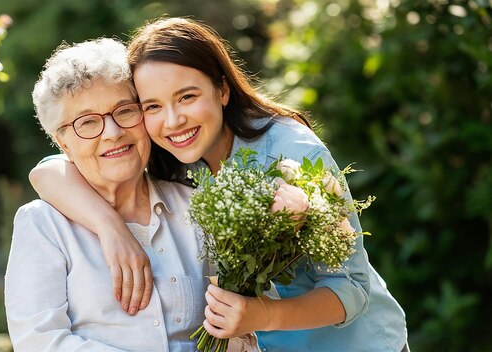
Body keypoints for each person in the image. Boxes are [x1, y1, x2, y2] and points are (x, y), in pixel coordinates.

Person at [29, 17, 408, 351]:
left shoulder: (291, 152)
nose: (173, 120)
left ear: (222, 89)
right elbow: (48, 170)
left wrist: (262, 315)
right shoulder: (168, 159)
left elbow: (352, 288)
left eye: (188, 96)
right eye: (152, 106)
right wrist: (109, 227)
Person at [4, 38, 211, 351]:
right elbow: (39, 342)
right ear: (63, 143)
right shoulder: (44, 224)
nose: (113, 133)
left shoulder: (196, 206)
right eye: (87, 122)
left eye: (125, 111)